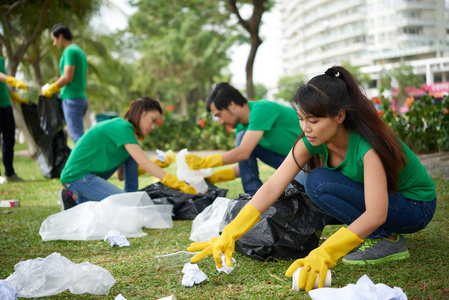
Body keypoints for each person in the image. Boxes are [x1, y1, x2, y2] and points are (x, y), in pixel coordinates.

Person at [187, 66, 436, 292]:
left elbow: (376, 213)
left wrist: (325, 253)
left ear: (339, 116)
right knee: (315, 183)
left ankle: (387, 239)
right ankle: (376, 236)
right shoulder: (312, 141)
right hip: (385, 201)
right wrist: (232, 231)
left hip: (414, 206)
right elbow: (274, 184)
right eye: (301, 119)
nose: (305, 128)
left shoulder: (368, 148)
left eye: (313, 121)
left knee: (320, 183)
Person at [58, 97, 197, 211]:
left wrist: (133, 199)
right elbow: (145, 163)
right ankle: (74, 198)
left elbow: (122, 176)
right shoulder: (123, 127)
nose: (153, 127)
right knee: (129, 205)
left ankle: (73, 199)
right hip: (77, 177)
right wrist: (177, 184)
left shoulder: (129, 139)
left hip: (87, 178)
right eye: (153, 120)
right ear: (142, 113)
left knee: (133, 204)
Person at [185, 83, 304, 195]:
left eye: (219, 115)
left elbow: (243, 152)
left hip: (307, 161)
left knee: (290, 196)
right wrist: (216, 177)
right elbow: (245, 165)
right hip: (288, 162)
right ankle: (253, 195)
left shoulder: (261, 109)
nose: (220, 121)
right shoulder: (241, 126)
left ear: (231, 105)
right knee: (242, 136)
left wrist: (204, 162)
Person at [42, 23, 87, 143]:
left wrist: (52, 87)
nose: (54, 43)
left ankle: (89, 162)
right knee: (79, 135)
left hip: (72, 99)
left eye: (54, 39)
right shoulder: (78, 50)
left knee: (77, 138)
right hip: (80, 97)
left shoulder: (69, 51)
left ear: (60, 36)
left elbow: (67, 77)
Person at [0, 40, 28, 182]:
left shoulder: (1, 60)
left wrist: (14, 97)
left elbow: (3, 84)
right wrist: (12, 79)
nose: (0, 48)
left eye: (0, 45)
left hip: (5, 105)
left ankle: (9, 173)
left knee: (9, 139)